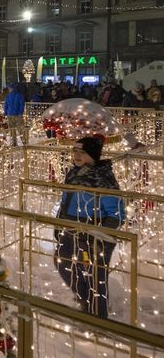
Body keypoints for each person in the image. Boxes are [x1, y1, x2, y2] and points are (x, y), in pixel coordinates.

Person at [55, 136, 124, 318]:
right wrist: (58, 222)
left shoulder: (102, 179)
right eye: (74, 151)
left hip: (94, 234)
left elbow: (116, 212)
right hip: (70, 228)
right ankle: (85, 300)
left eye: (82, 152)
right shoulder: (73, 174)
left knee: (95, 278)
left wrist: (102, 238)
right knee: (62, 262)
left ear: (93, 155)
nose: (76, 155)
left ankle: (98, 318)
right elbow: (65, 200)